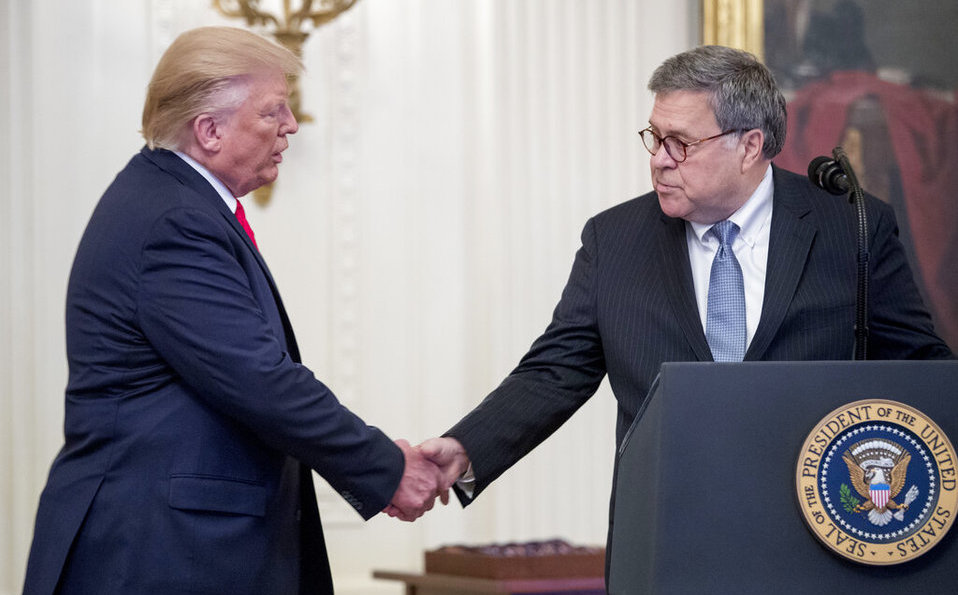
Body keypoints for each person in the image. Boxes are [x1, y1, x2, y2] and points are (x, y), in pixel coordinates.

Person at [415, 44, 954, 560]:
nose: (659, 160)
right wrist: (465, 449)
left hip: (817, 531)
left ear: (749, 146)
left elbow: (922, 365)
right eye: (654, 138)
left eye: (680, 143)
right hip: (667, 532)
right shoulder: (614, 240)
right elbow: (554, 372)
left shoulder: (852, 226)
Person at [23, 26, 440, 595]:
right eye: (272, 111)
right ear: (210, 130)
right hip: (156, 554)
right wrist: (386, 468)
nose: (291, 125)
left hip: (174, 549)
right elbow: (260, 379)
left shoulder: (171, 202)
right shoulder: (173, 221)